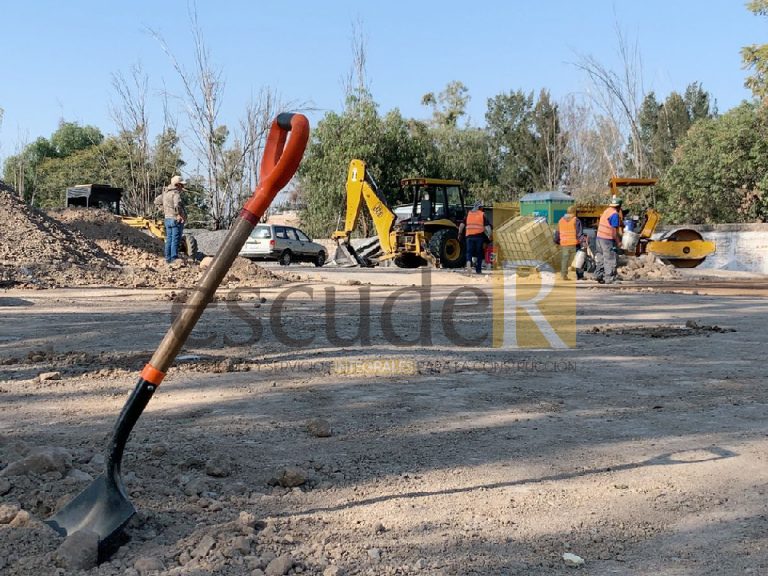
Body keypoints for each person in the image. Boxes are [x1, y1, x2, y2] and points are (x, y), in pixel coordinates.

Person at [154, 175, 188, 264]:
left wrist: (163, 210)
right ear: (177, 185)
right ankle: (174, 258)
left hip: (167, 219)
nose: (182, 187)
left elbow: (156, 201)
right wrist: (179, 215)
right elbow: (177, 205)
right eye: (181, 185)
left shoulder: (165, 193)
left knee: (169, 239)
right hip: (175, 220)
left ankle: (168, 258)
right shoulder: (175, 194)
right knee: (175, 239)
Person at [593, 196, 623, 284]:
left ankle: (599, 275)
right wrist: (619, 242)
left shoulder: (606, 211)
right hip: (607, 239)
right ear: (619, 206)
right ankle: (609, 278)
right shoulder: (614, 214)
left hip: (599, 238)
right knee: (609, 258)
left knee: (601, 257)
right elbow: (614, 232)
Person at [554, 206, 586, 280]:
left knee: (565, 259)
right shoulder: (576, 220)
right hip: (574, 243)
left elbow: (557, 233)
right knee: (579, 259)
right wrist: (583, 242)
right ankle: (580, 276)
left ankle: (563, 275)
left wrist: (557, 242)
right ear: (574, 212)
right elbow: (579, 233)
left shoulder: (561, 220)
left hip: (564, 243)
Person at [458, 201, 490, 274]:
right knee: (479, 253)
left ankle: (469, 262)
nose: (483, 209)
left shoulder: (468, 214)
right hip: (479, 237)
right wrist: (489, 235)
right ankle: (478, 269)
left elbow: (461, 225)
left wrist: (459, 233)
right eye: (482, 207)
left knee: (469, 252)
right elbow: (487, 227)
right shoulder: (482, 214)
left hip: (469, 236)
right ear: (479, 207)